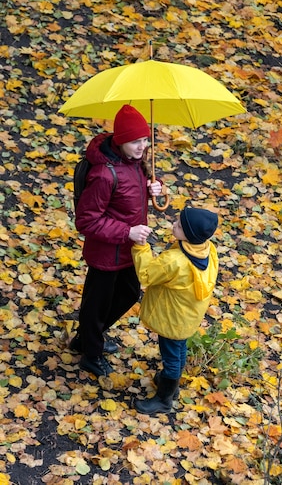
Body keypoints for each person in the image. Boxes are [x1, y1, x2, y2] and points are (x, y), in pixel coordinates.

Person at [70, 104, 163, 378]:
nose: (142, 146)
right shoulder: (103, 174)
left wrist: (154, 188)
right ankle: (91, 354)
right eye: (136, 141)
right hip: (107, 253)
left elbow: (130, 196)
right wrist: (128, 232)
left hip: (128, 252)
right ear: (121, 140)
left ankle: (88, 337)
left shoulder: (135, 164)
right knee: (96, 304)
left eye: (145, 139)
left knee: (129, 293)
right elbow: (86, 221)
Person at [131, 206, 219, 415]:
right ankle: (171, 385)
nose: (174, 225)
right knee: (179, 349)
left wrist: (141, 247)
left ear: (189, 236)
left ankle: (164, 399)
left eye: (179, 225)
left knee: (170, 356)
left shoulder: (175, 261)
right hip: (187, 316)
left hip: (171, 318)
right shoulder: (206, 248)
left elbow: (146, 275)